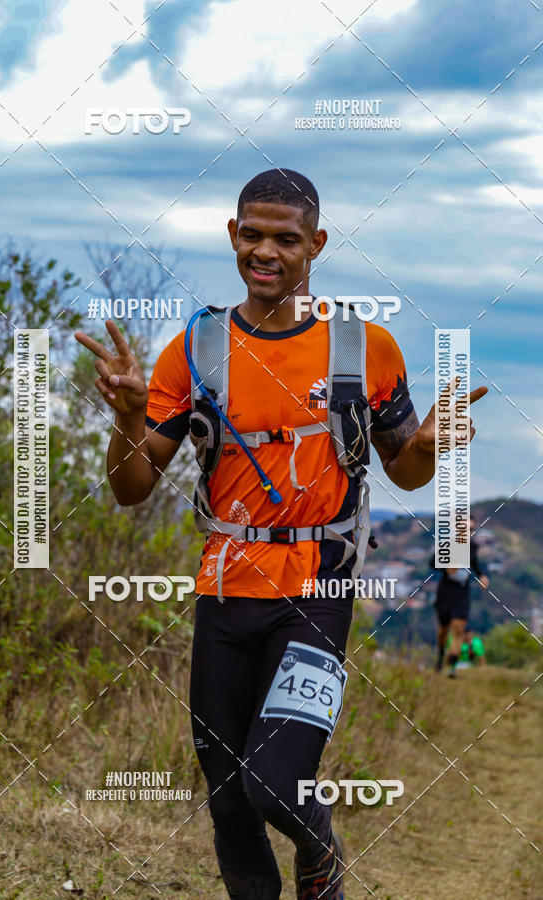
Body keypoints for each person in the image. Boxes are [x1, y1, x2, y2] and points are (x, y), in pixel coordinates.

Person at [75, 169, 487, 899]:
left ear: (316, 245)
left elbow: (406, 470)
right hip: (225, 589)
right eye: (253, 235)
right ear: (233, 236)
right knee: (229, 800)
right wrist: (130, 418)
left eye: (286, 239)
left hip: (318, 589)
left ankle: (320, 848)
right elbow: (130, 490)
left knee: (273, 784)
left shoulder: (364, 349)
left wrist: (429, 442)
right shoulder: (195, 349)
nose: (266, 251)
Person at [430, 516, 489, 677]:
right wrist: (446, 567)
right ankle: (441, 656)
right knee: (443, 630)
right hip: (445, 593)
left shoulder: (473, 547)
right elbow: (432, 563)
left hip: (463, 592)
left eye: (470, 530)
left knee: (458, 628)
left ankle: (453, 667)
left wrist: (482, 575)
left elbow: (475, 563)